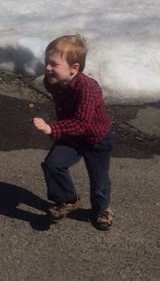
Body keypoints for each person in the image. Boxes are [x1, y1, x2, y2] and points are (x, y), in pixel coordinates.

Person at [32, 34, 114, 230]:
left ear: (74, 68)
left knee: (99, 179)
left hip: (97, 139)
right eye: (46, 62)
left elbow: (81, 123)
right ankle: (68, 199)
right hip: (72, 136)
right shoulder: (52, 81)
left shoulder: (88, 89)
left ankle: (102, 209)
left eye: (53, 64)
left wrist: (51, 128)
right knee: (53, 164)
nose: (47, 68)